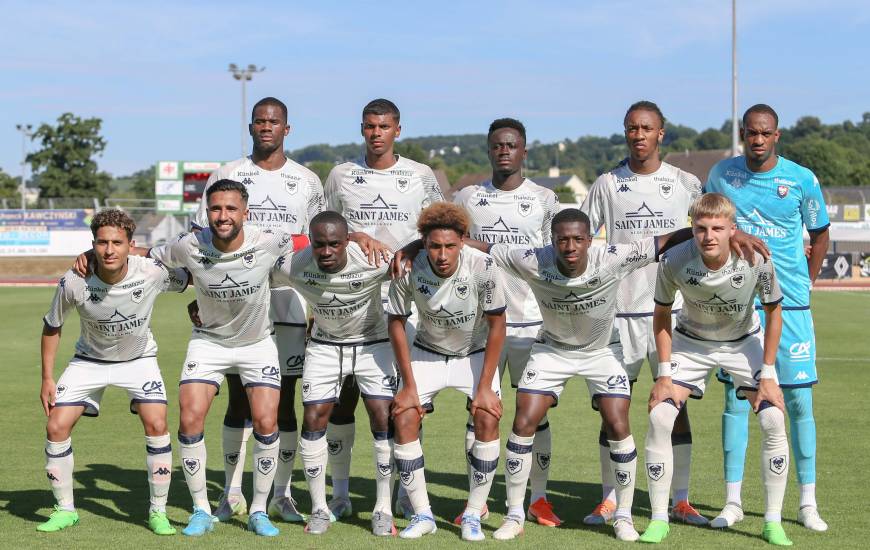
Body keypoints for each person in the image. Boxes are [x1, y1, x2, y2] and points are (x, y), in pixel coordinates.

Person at [450, 208, 766, 542]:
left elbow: (666, 241)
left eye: (577, 239)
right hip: (552, 350)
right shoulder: (532, 259)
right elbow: (481, 246)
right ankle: (515, 514)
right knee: (524, 419)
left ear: (590, 240)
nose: (570, 246)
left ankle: (624, 516)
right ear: (552, 241)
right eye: (562, 240)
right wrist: (419, 245)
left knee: (617, 421)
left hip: (603, 350)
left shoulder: (612, 257)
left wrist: (733, 236)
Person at [190, 96, 325, 524]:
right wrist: (202, 291)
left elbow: (317, 244)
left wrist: (317, 304)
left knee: (282, 403)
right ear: (251, 126)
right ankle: (230, 493)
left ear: (287, 129)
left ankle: (279, 494)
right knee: (237, 402)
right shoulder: (227, 173)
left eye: (274, 121)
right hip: (232, 305)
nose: (266, 127)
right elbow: (199, 239)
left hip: (287, 303)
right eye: (259, 121)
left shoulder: (306, 181)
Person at [638, 193, 792, 546]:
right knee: (661, 417)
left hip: (743, 342)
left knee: (772, 419)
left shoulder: (757, 260)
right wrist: (663, 374)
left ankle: (772, 522)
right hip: (691, 342)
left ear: (731, 230)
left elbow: (774, 313)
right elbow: (661, 314)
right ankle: (661, 518)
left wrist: (767, 374)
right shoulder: (675, 259)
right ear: (692, 229)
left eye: (718, 228)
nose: (709, 236)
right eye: (701, 228)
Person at [705, 104, 830, 531]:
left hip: (790, 306)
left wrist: (806, 283)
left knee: (797, 400)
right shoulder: (722, 174)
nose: (757, 140)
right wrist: (734, 233)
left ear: (777, 136)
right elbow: (709, 220)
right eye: (751, 134)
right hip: (738, 305)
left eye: (765, 133)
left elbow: (820, 234)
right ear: (743, 134)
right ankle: (732, 502)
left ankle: (807, 503)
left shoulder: (801, 179)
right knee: (735, 401)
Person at [580, 100, 705, 526]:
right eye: (631, 128)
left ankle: (681, 499)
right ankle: (610, 498)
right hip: (618, 314)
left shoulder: (686, 182)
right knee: (614, 408)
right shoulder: (607, 184)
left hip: (672, 314)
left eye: (646, 128)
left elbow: (713, 229)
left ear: (660, 133)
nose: (638, 135)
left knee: (676, 405)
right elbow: (579, 236)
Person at [324, 98, 444, 519]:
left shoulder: (420, 175)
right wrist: (357, 235)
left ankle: (401, 492)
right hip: (350, 302)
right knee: (343, 400)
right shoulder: (341, 175)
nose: (377, 133)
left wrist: (411, 246)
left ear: (398, 130)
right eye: (370, 127)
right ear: (362, 129)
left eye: (384, 126)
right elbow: (325, 229)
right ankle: (340, 495)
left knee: (403, 402)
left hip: (406, 305)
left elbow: (439, 225)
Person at [37, 209, 188, 535]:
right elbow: (52, 326)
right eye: (102, 243)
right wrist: (47, 378)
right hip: (89, 361)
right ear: (92, 244)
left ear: (131, 245)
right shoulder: (74, 280)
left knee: (157, 422)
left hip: (139, 360)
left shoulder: (150, 272)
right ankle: (65, 510)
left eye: (117, 243)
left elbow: (192, 278)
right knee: (56, 425)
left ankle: (158, 512)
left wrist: (201, 306)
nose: (109, 250)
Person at [453, 117, 562, 526]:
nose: (504, 151)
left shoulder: (545, 199)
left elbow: (558, 255)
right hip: (482, 323)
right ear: (489, 150)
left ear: (523, 151)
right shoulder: (468, 197)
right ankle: (477, 501)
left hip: (533, 322)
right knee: (478, 409)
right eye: (497, 145)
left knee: (535, 413)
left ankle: (538, 498)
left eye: (511, 145)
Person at [387, 203, 507, 541]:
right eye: (435, 246)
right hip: (428, 351)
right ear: (423, 243)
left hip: (474, 352)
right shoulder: (409, 268)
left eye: (450, 246)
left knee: (487, 415)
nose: (442, 254)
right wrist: (408, 386)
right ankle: (422, 513)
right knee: (405, 414)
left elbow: (498, 325)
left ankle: (472, 514)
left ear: (463, 242)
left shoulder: (482, 266)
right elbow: (395, 322)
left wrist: (484, 387)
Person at [282, 211, 397, 536]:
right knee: (314, 416)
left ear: (347, 241)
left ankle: (383, 508)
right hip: (324, 345)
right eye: (320, 245)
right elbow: (254, 275)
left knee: (382, 416)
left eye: (335, 243)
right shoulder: (295, 264)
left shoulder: (373, 259)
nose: (327, 251)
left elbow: (415, 263)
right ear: (311, 242)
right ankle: (322, 506)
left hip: (373, 343)